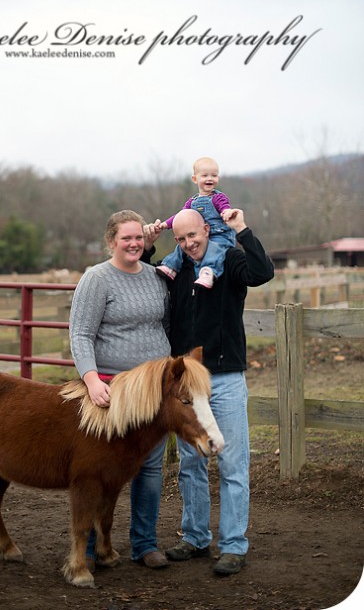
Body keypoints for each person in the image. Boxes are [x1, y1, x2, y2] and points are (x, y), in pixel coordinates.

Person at [143, 207, 274, 575]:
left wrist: (243, 230)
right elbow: (144, 281)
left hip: (225, 377)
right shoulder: (177, 269)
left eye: (193, 236)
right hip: (187, 383)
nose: (188, 244)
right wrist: (150, 250)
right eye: (181, 239)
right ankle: (196, 538)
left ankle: (233, 545)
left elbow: (262, 272)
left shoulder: (229, 258)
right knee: (190, 464)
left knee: (232, 463)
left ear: (207, 229)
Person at [69, 209, 171, 570]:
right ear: (111, 241)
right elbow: (81, 333)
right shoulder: (97, 279)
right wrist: (91, 378)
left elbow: (164, 324)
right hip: (111, 392)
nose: (132, 243)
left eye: (137, 238)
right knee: (101, 469)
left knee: (150, 469)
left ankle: (144, 542)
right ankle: (92, 544)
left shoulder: (156, 277)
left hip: (153, 392)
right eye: (125, 238)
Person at [156, 156, 235, 289]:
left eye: (214, 175)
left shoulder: (218, 197)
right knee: (181, 247)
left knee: (215, 249)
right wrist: (165, 224)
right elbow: (180, 216)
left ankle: (208, 272)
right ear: (195, 179)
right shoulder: (192, 202)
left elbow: (224, 207)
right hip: (199, 235)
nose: (209, 178)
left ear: (218, 178)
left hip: (219, 234)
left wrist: (227, 212)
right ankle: (171, 267)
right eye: (205, 175)